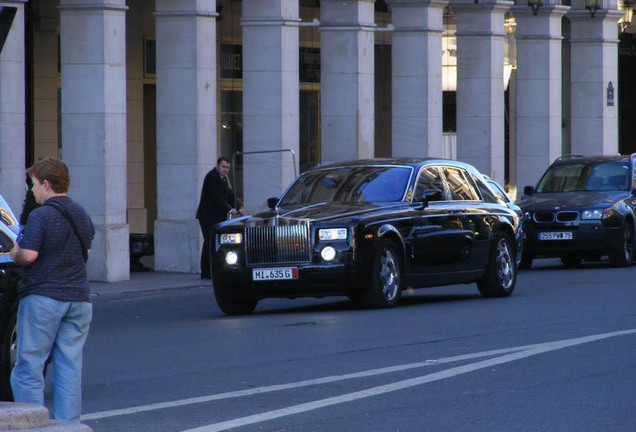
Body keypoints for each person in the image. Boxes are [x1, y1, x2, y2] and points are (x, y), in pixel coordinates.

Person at [9, 157, 95, 423]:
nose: (32, 191)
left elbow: (29, 255)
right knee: (69, 367)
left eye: (33, 185)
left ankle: (33, 425)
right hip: (79, 300)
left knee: (29, 367)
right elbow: (87, 251)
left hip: (44, 298)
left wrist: (14, 252)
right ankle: (68, 427)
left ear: (46, 184)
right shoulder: (81, 213)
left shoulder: (41, 215)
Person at [196, 156, 245, 279]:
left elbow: (229, 194)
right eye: (223, 167)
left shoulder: (223, 178)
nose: (225, 169)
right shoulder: (212, 177)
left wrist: (239, 207)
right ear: (217, 165)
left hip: (217, 216)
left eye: (227, 167)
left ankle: (213, 270)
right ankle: (206, 272)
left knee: (214, 243)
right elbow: (217, 197)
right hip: (208, 216)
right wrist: (229, 209)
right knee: (209, 242)